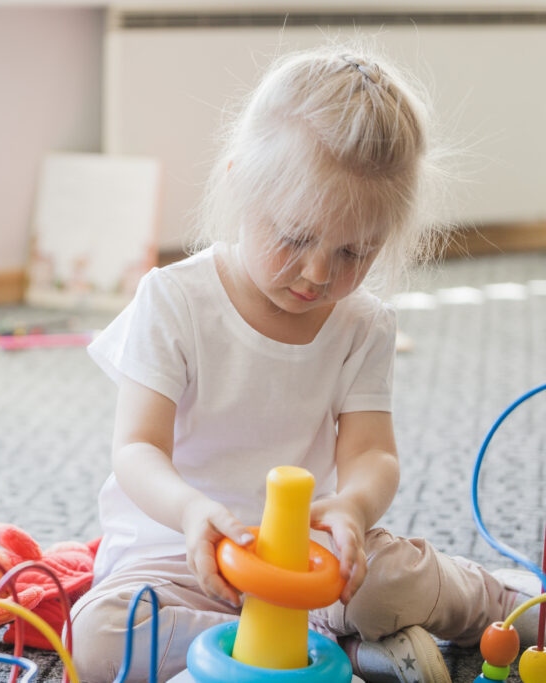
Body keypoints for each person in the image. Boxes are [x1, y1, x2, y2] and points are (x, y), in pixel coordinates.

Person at [69, 43, 541, 683]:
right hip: (184, 554)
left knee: (388, 580)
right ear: (239, 183)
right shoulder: (174, 300)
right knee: (99, 637)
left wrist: (352, 509)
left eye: (355, 252)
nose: (319, 274)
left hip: (313, 556)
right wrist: (188, 512)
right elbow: (136, 450)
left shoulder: (362, 323)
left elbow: (373, 455)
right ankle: (320, 650)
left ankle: (504, 601)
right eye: (295, 238)